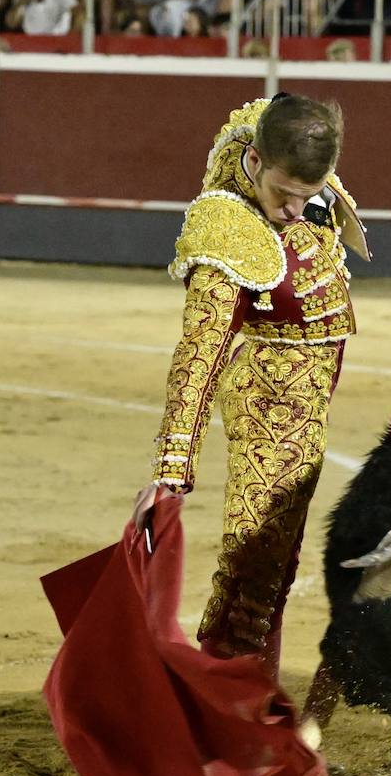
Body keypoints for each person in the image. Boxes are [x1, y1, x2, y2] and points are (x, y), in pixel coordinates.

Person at [132, 93, 369, 683]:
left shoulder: (281, 140)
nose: (294, 211)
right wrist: (171, 468)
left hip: (307, 396)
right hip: (273, 396)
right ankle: (230, 713)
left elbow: (283, 122)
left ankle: (245, 706)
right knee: (255, 570)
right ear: (258, 162)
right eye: (283, 193)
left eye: (307, 196)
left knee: (273, 562)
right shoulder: (224, 231)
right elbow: (199, 353)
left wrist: (300, 187)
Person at [5, 0, 79, 34]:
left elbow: (77, 14)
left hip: (56, 40)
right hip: (31, 42)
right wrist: (21, 2)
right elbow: (11, 24)